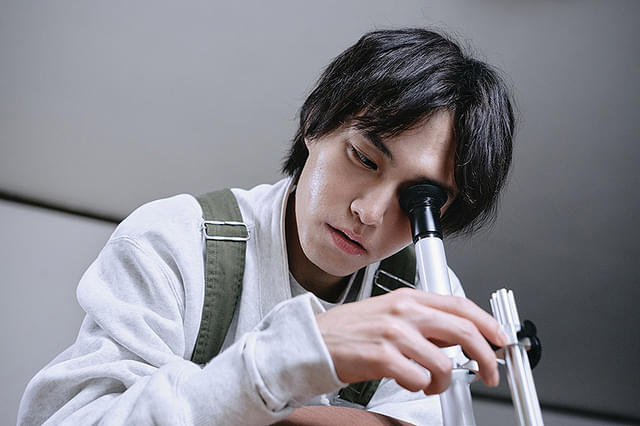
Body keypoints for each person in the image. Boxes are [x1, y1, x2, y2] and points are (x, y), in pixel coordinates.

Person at [18, 28, 514, 425]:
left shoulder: (428, 290)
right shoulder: (172, 243)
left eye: (418, 200)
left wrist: (223, 406)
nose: (370, 212)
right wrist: (289, 359)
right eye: (364, 159)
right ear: (315, 122)